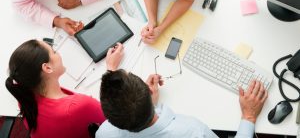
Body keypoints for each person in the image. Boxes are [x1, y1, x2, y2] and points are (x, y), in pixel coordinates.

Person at [96, 69, 268, 138]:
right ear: (149, 91)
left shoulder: (103, 134)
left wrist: (145, 103)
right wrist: (249, 116)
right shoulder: (193, 132)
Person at [5, 40, 124, 138]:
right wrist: (111, 69)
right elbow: (118, 117)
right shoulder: (77, 107)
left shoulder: (25, 98)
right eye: (54, 51)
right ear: (47, 68)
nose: (58, 54)